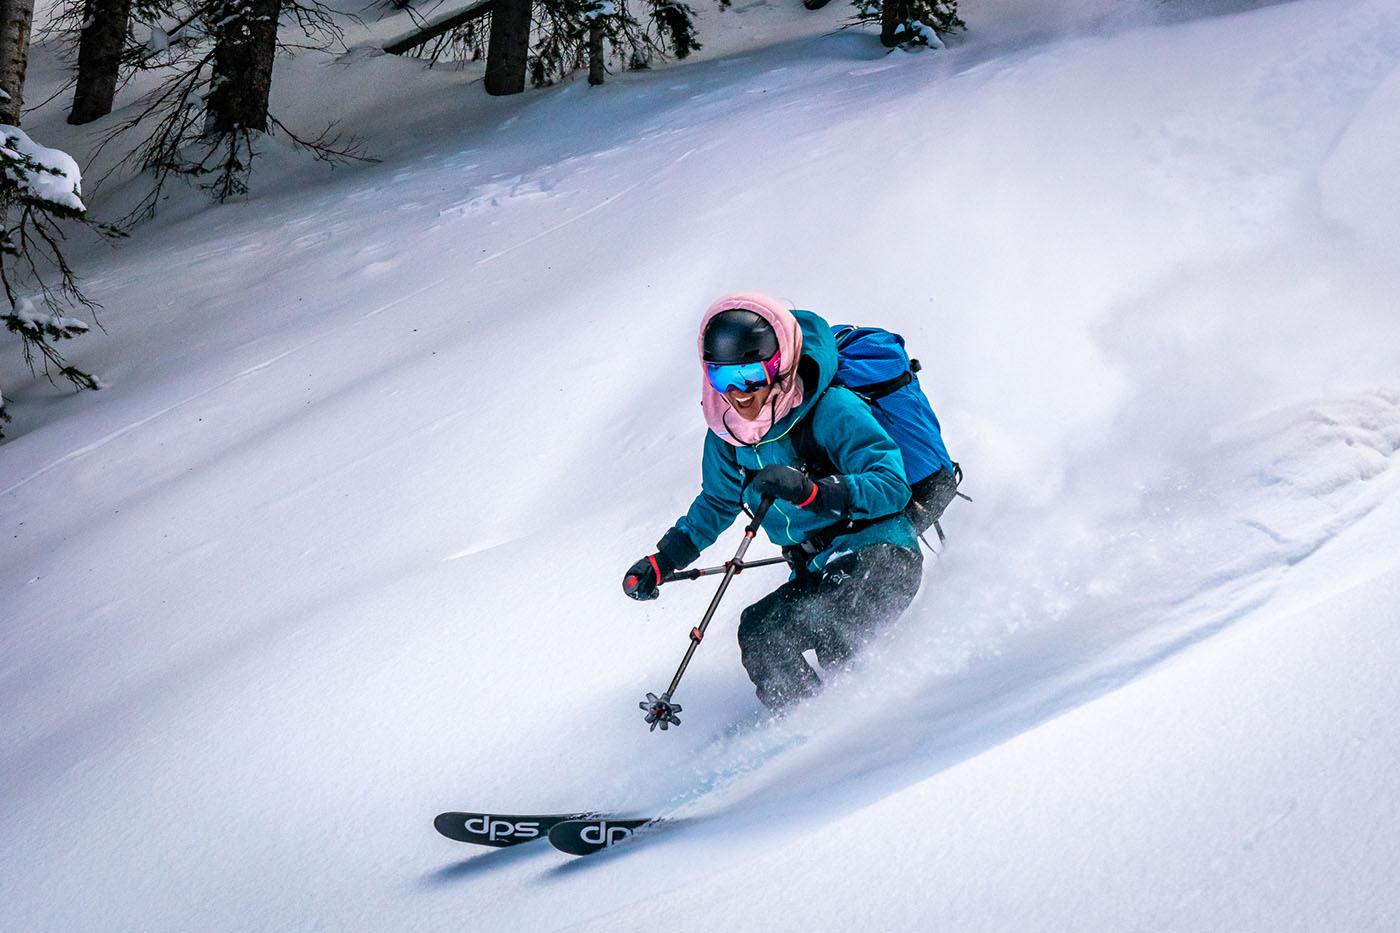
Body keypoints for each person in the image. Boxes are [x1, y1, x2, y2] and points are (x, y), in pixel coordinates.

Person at [623, 292, 925, 710]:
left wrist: (813, 492)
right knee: (760, 634)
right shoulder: (728, 435)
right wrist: (663, 560)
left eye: (750, 374)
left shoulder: (832, 408)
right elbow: (717, 503)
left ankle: (867, 731)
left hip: (881, 552)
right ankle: (801, 734)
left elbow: (892, 485)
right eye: (722, 378)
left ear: (779, 365)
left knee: (837, 633)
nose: (738, 393)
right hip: (815, 569)